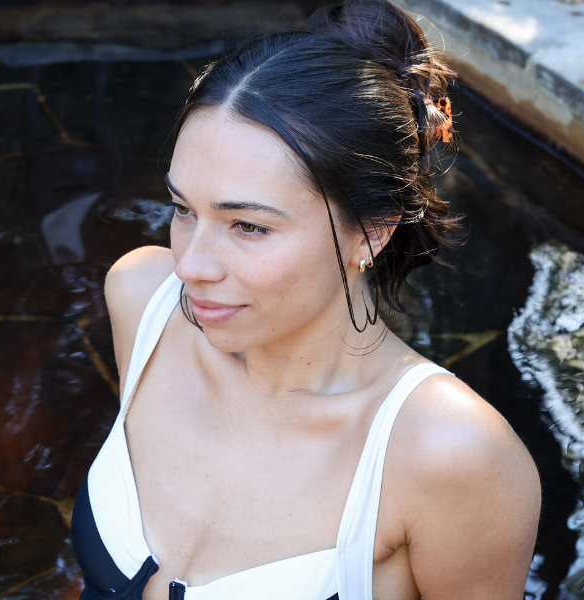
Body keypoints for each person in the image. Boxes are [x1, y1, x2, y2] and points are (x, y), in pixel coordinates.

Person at [71, 1, 541, 598]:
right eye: (183, 209)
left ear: (371, 231)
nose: (188, 265)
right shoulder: (145, 304)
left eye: (249, 226)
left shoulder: (449, 455)